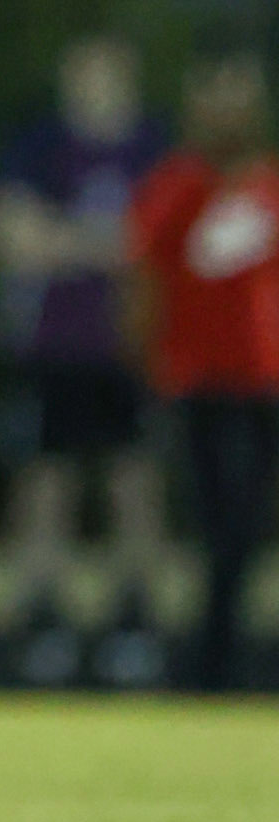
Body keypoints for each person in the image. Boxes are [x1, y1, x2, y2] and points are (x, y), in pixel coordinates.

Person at [0, 38, 167, 686]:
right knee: (45, 486)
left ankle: (134, 620)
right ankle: (43, 621)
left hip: (134, 350)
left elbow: (167, 246)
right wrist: (109, 243)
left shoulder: (155, 149)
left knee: (134, 485)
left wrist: (68, 240)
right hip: (50, 347)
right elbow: (13, 239)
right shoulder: (38, 147)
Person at [131, 54, 279, 691]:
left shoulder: (269, 186)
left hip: (265, 381)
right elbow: (141, 282)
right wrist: (148, 363)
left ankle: (219, 653)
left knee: (248, 522)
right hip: (199, 383)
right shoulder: (175, 186)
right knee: (220, 522)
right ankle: (214, 660)